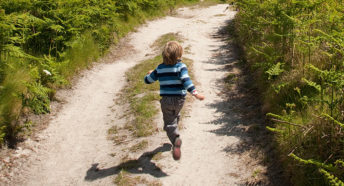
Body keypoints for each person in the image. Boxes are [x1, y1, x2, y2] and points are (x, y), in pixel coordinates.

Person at [144, 41, 204, 160]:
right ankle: (174, 129)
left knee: (169, 123)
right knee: (175, 115)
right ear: (179, 55)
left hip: (166, 100)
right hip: (180, 100)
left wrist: (149, 74)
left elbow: (148, 80)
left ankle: (175, 139)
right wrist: (195, 93)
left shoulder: (160, 68)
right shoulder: (181, 67)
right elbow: (186, 81)